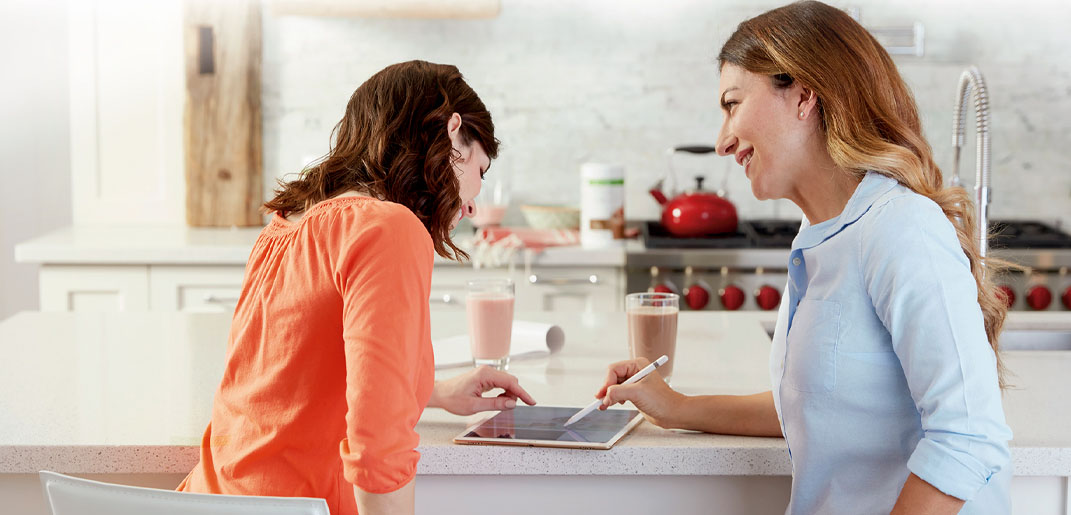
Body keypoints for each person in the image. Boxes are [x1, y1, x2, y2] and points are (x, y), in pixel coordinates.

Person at [593, 2, 1012, 514]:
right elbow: (817, 406)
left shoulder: (901, 229)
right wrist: (674, 405)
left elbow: (969, 438)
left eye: (732, 103)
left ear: (804, 95)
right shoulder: (821, 235)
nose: (723, 142)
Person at [178, 60, 536, 515]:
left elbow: (291, 379)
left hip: (210, 498)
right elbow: (378, 449)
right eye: (480, 171)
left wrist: (435, 391)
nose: (473, 202)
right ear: (452, 132)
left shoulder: (287, 223)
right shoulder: (389, 228)